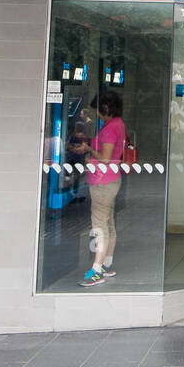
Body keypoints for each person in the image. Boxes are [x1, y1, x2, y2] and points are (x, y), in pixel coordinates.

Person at [79, 90, 126, 287]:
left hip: (102, 181)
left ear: (106, 108)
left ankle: (96, 270)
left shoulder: (109, 128)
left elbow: (105, 158)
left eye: (98, 110)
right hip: (111, 180)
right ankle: (107, 264)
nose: (97, 113)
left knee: (99, 224)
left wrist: (90, 152)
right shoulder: (118, 124)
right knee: (108, 223)